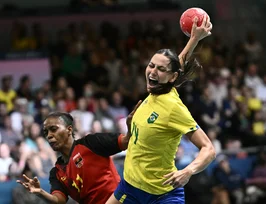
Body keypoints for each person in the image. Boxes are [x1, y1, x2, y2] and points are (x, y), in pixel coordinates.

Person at [106, 15, 216, 204]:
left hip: (163, 195)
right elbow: (176, 64)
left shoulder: (173, 107)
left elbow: (209, 149)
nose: (153, 71)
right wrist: (194, 39)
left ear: (172, 77)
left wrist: (188, 171)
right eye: (151, 65)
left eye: (160, 69)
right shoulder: (157, 89)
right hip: (130, 187)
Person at [16, 100, 141, 204]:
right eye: (46, 132)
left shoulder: (91, 143)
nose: (49, 136)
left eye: (53, 129)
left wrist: (131, 127)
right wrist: (40, 192)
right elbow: (59, 200)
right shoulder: (56, 173)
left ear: (69, 130)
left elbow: (125, 142)